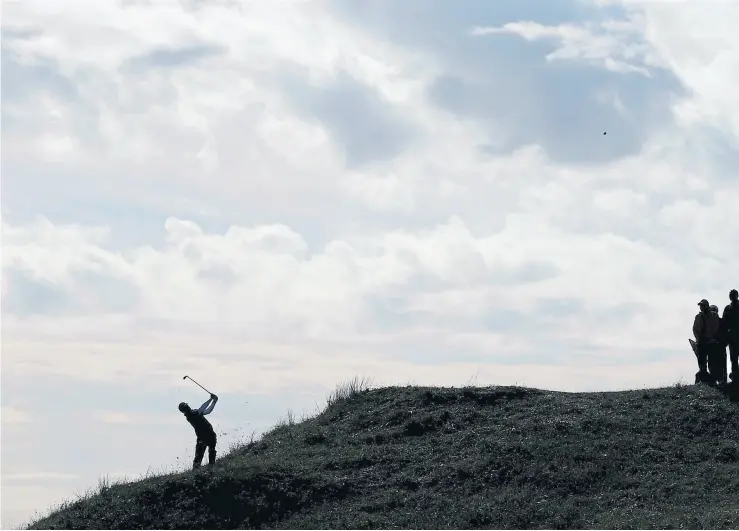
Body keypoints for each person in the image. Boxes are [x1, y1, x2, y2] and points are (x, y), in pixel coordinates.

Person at [179, 394, 219, 469]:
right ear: (187, 407)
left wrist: (214, 401)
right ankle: (210, 468)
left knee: (199, 456)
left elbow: (207, 411)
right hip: (208, 435)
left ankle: (199, 471)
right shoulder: (192, 414)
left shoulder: (193, 414)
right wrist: (211, 399)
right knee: (209, 452)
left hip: (203, 436)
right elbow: (203, 408)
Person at [693, 299, 724, 385]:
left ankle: (712, 380)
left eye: (702, 305)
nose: (701, 307)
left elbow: (716, 327)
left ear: (706, 306)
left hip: (710, 342)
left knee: (711, 362)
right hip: (701, 342)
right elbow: (695, 328)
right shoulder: (698, 317)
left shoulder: (714, 315)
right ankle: (703, 380)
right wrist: (698, 338)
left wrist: (709, 336)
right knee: (701, 361)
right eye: (700, 306)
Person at [721, 289, 739, 381]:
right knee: (734, 359)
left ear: (737, 295)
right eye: (730, 294)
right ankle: (735, 378)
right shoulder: (727, 308)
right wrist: (725, 338)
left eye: (733, 294)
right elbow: (724, 324)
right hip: (732, 337)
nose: (731, 296)